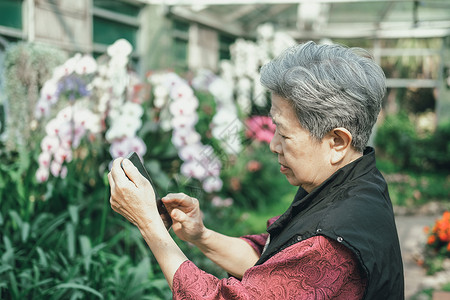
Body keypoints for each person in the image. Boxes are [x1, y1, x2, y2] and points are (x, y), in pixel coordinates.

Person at [108, 41, 404, 299]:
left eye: (285, 134)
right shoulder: (353, 180)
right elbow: (273, 264)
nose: (273, 145)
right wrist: (201, 235)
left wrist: (150, 225)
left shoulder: (327, 245)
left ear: (337, 141)